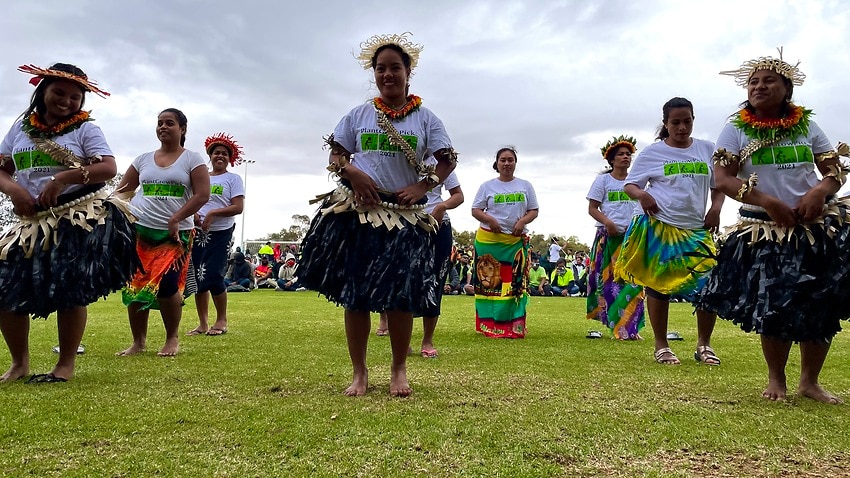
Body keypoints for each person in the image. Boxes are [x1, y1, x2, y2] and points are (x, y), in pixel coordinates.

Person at [296, 33, 457, 397]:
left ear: (408, 72)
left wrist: (421, 188)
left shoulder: (427, 120)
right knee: (356, 296)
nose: (388, 75)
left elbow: (448, 159)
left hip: (404, 218)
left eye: (395, 68)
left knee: (400, 298)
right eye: (381, 68)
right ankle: (360, 372)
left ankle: (399, 369)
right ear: (374, 73)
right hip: (361, 215)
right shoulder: (358, 115)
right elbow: (336, 155)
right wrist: (351, 172)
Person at [695, 51, 850, 403]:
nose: (759, 86)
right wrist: (767, 201)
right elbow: (721, 178)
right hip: (765, 229)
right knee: (774, 304)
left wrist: (820, 190)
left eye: (769, 81)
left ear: (786, 88)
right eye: (754, 82)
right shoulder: (735, 128)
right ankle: (776, 379)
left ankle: (810, 381)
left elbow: (833, 170)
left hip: (816, 227)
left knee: (821, 303)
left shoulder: (807, 125)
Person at [0, 63, 139, 383]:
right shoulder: (20, 128)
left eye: (75, 97)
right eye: (58, 92)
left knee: (70, 287)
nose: (65, 101)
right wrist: (14, 189)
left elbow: (108, 167)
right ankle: (19, 363)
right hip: (30, 221)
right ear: (42, 90)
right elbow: (3, 168)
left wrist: (64, 179)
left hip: (76, 217)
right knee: (5, 288)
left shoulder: (86, 130)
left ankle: (65, 364)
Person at [614, 97, 724, 365]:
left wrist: (716, 208)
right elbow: (630, 185)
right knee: (658, 288)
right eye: (675, 122)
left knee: (708, 286)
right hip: (660, 226)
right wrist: (642, 195)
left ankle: (704, 345)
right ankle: (662, 346)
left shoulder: (708, 149)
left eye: (687, 121)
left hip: (696, 229)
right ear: (666, 124)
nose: (682, 128)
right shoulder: (652, 153)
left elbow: (719, 184)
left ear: (693, 120)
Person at [118, 108, 210, 357]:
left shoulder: (192, 159)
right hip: (140, 231)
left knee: (168, 285)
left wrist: (177, 217)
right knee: (135, 285)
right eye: (159, 123)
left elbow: (203, 195)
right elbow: (123, 192)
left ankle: (172, 338)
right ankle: (138, 341)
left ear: (182, 129)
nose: (163, 127)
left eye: (169, 123)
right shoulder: (143, 159)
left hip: (175, 235)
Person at [375, 170, 464, 357]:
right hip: (403, 221)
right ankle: (401, 341)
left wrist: (441, 207)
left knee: (435, 281)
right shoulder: (403, 158)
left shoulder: (442, 162)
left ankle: (427, 340)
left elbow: (458, 195)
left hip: (438, 225)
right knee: (399, 280)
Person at [471, 146, 539, 338]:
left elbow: (533, 210)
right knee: (489, 283)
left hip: (513, 242)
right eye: (503, 160)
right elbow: (476, 209)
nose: (507, 163)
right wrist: (490, 220)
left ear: (515, 163)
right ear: (497, 163)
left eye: (510, 160)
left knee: (511, 283)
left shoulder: (525, 186)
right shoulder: (487, 186)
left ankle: (512, 325)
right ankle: (488, 325)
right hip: (488, 241)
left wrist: (522, 222)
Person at [586, 136, 645, 340]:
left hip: (632, 238)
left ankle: (631, 327)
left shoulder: (636, 180)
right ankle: (617, 327)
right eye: (621, 154)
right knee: (611, 283)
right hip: (609, 238)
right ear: (611, 159)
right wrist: (608, 223)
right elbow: (592, 208)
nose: (625, 157)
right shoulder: (603, 181)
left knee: (634, 283)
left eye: (628, 154)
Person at [185, 133, 245, 337]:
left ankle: (221, 319)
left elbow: (238, 207)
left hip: (221, 233)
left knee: (214, 275)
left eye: (224, 154)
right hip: (198, 233)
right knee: (199, 276)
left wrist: (212, 213)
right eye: (216, 152)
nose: (220, 156)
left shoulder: (233, 179)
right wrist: (193, 215)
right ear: (209, 155)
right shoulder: (201, 177)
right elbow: (191, 200)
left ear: (230, 158)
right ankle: (202, 323)